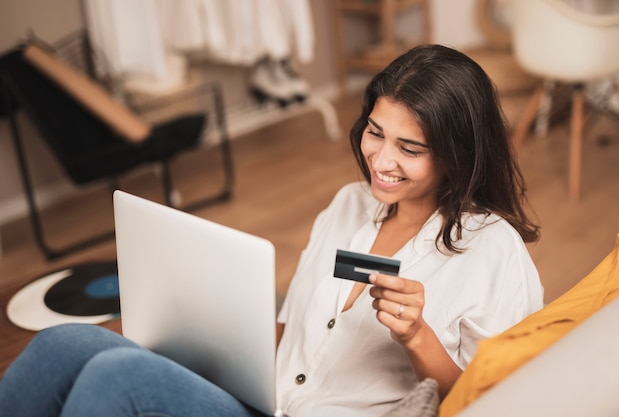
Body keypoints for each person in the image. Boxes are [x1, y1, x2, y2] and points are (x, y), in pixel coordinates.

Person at [0, 44, 544, 417]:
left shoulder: (492, 250)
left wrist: (416, 337)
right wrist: (210, 328)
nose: (381, 159)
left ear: (457, 153)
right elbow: (294, 330)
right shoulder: (349, 206)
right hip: (266, 397)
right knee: (63, 343)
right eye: (375, 133)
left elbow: (490, 399)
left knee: (117, 379)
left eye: (411, 148)